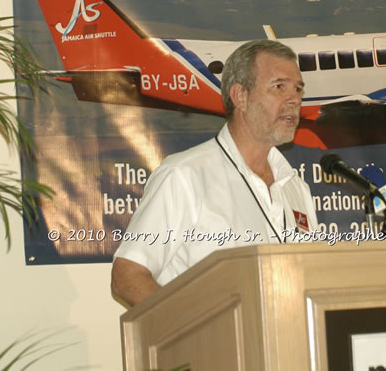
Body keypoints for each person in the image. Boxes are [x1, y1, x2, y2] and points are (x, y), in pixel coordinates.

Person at [111, 39, 320, 306]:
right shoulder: (185, 176)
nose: (294, 99)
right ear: (239, 96)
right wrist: (191, 330)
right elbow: (128, 275)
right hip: (210, 345)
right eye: (279, 86)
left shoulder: (295, 188)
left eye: (298, 88)